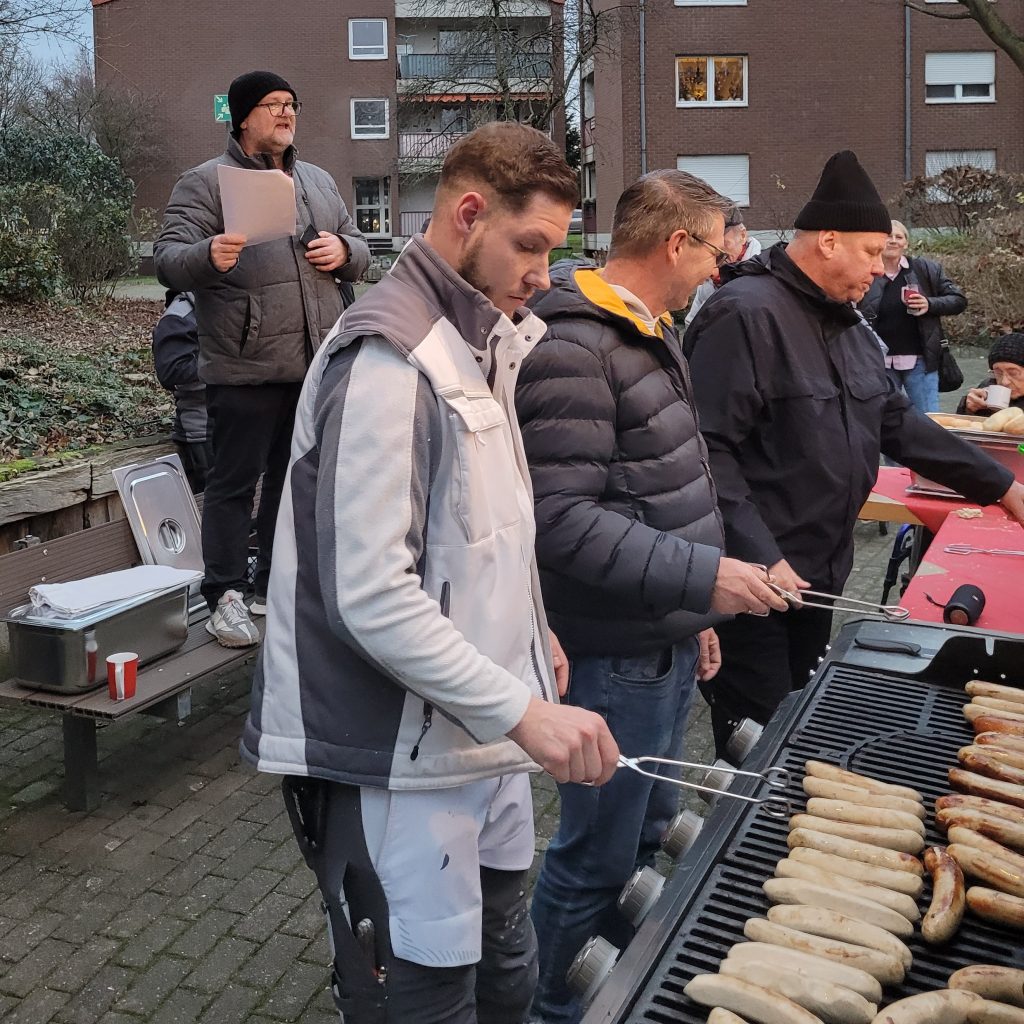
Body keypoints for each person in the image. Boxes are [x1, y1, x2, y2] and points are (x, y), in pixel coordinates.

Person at [240, 122, 621, 1024]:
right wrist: (521, 707)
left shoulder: (483, 342)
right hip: (397, 760)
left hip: (475, 742)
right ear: (468, 212)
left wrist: (534, 637)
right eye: (530, 246)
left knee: (504, 974)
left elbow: (479, 535)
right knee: (423, 997)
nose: (544, 273)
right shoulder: (388, 360)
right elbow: (371, 593)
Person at [515, 170, 790, 1024]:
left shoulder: (648, 327)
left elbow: (668, 485)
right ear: (676, 243)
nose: (720, 267)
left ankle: (618, 992)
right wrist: (705, 578)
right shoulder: (574, 346)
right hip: (611, 656)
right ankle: (550, 1010)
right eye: (714, 249)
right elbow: (561, 522)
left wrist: (695, 616)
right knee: (594, 857)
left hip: (662, 639)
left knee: (644, 838)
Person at [684, 150, 1024, 757]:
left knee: (801, 728)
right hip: (754, 585)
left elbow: (899, 424)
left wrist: (1002, 487)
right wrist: (759, 554)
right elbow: (706, 452)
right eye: (873, 253)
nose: (883, 266)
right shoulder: (745, 314)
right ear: (829, 241)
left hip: (820, 575)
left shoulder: (846, 323)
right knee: (757, 745)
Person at [155, 70, 369, 647]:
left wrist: (345, 250)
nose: (286, 113)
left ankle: (270, 585)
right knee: (232, 483)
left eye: (291, 104)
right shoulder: (205, 184)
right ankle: (223, 593)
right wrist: (208, 254)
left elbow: (364, 250)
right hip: (244, 367)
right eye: (273, 105)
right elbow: (168, 260)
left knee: (290, 482)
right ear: (243, 116)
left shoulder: (319, 181)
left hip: (313, 363)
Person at [858, 219, 966, 414]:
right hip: (879, 363)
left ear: (906, 243)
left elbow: (958, 301)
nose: (893, 241)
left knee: (928, 419)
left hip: (921, 361)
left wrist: (930, 304)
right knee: (883, 420)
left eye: (898, 237)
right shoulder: (865, 271)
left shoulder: (926, 270)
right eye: (888, 236)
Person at [151, 291, 213, 493]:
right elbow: (172, 372)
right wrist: (226, 365)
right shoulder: (179, 315)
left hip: (244, 423)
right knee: (212, 505)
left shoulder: (232, 301)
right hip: (203, 431)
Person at [684, 205, 762, 327]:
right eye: (712, 248)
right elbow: (691, 322)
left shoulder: (762, 276)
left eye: (725, 244)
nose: (718, 255)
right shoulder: (709, 278)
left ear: (742, 235)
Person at [958, 333, 1024, 415]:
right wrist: (968, 409)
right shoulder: (989, 389)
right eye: (998, 373)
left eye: (1013, 373)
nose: (1004, 382)